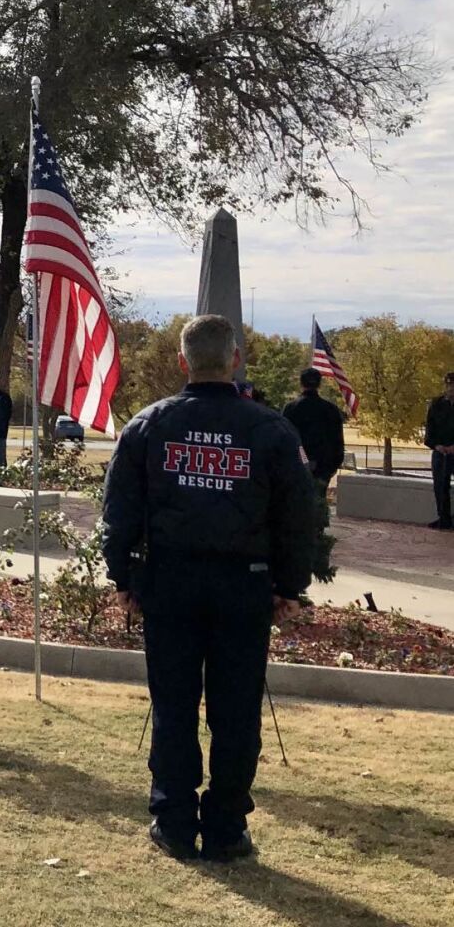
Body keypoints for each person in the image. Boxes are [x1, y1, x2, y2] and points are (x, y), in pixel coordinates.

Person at [101, 314, 318, 863]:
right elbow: (298, 517)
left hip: (170, 584)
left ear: (182, 362)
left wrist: (123, 577)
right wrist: (290, 584)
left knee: (173, 705)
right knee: (236, 709)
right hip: (242, 589)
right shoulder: (270, 431)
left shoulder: (150, 425)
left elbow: (118, 512)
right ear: (236, 360)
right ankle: (224, 828)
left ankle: (174, 822)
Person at [281, 368, 345, 497]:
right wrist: (330, 469)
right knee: (318, 506)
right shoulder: (331, 410)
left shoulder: (291, 408)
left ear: (301, 383)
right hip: (322, 469)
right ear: (319, 384)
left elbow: (283, 440)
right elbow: (338, 443)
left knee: (295, 508)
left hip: (295, 468)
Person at [428, 371, 454, 531]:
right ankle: (443, 519)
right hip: (440, 453)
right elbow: (430, 429)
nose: (451, 389)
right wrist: (436, 445)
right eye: (449, 385)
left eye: (453, 385)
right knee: (440, 485)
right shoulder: (437, 404)